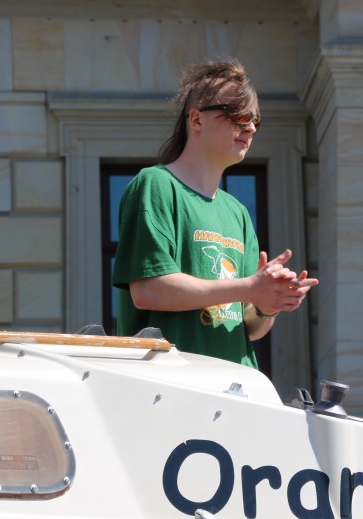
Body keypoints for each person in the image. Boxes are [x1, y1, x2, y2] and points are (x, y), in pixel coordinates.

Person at [113, 60, 317, 368]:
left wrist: (268, 304)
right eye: (238, 115)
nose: (249, 127)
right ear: (196, 119)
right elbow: (149, 290)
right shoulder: (156, 185)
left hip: (234, 387)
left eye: (255, 119)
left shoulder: (237, 212)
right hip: (168, 386)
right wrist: (250, 286)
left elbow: (250, 327)